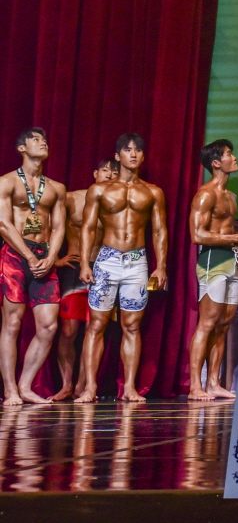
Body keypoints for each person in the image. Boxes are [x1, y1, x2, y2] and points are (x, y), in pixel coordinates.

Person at [76, 133, 168, 402]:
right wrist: (84, 263)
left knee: (132, 325)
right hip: (107, 260)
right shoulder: (99, 190)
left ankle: (129, 387)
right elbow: (88, 228)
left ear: (143, 156)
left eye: (138, 150)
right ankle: (90, 388)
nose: (133, 154)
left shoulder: (152, 191)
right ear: (118, 156)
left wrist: (161, 266)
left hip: (137, 261)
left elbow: (160, 230)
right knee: (96, 324)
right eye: (128, 150)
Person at [187, 140, 238, 400]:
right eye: (230, 154)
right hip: (212, 261)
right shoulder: (206, 194)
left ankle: (213, 383)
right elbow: (197, 235)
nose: (235, 157)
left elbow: (228, 233)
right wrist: (236, 238)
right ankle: (194, 386)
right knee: (207, 323)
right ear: (216, 163)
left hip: (230, 260)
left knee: (223, 324)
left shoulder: (230, 196)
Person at [0, 129, 66, 406]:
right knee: (12, 324)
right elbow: (3, 223)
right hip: (16, 256)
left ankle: (26, 386)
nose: (43, 142)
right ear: (21, 148)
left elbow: (59, 227)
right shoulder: (6, 182)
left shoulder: (56, 188)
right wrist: (28, 255)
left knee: (49, 326)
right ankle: (10, 390)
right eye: (36, 139)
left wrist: (51, 257)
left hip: (44, 256)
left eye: (45, 139)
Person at [52, 158, 118, 401]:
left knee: (95, 329)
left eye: (115, 172)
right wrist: (54, 259)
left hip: (103, 269)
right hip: (74, 269)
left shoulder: (117, 205)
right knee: (68, 330)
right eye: (105, 170)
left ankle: (83, 385)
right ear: (94, 173)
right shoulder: (72, 198)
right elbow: (50, 226)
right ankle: (66, 384)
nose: (109, 175)